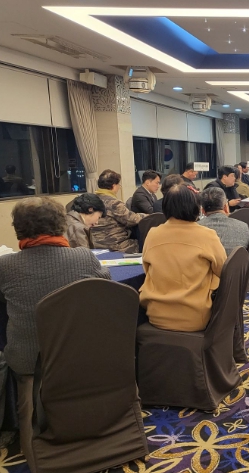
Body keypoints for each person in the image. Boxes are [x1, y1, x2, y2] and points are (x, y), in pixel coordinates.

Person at [0, 197, 110, 470]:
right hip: (76, 353)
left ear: (18, 229)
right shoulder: (83, 257)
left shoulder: (5, 267)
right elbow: (105, 285)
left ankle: (31, 448)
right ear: (60, 225)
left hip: (28, 361)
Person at [140, 184, 227, 332]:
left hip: (156, 314)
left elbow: (147, 270)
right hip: (195, 317)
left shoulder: (153, 234)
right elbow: (223, 270)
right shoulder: (207, 235)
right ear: (196, 207)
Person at [92, 169, 145, 253]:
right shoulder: (114, 203)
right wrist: (147, 216)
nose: (119, 187)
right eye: (118, 184)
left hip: (95, 244)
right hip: (115, 244)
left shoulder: (92, 200)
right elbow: (132, 219)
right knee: (145, 243)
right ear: (114, 186)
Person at [198, 187, 249, 255]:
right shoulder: (243, 227)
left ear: (203, 211)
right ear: (226, 207)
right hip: (238, 262)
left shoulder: (195, 229)